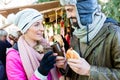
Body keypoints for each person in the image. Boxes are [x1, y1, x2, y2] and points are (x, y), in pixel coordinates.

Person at [58, 0, 120, 80]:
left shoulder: (114, 33)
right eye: (66, 10)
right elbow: (77, 72)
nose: (68, 16)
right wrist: (65, 66)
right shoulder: (76, 34)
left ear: (84, 10)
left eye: (70, 10)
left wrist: (90, 71)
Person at [6, 8, 65, 80]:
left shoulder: (45, 47)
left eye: (41, 24)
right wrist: (41, 72)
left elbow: (55, 74)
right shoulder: (13, 56)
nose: (42, 29)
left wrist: (60, 67)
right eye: (36, 25)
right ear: (25, 29)